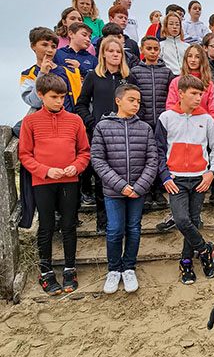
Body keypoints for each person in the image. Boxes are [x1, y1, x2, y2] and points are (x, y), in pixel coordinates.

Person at [18, 73, 90, 295]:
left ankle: (70, 269)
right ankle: (46, 272)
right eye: (54, 97)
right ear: (40, 95)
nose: (59, 101)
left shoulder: (75, 120)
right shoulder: (30, 122)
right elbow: (25, 154)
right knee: (46, 226)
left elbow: (84, 152)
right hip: (43, 182)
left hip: (70, 181)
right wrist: (46, 171)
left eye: (62, 96)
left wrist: (76, 167)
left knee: (69, 225)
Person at [91, 84, 158, 294]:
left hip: (138, 190)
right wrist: (121, 185)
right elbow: (98, 159)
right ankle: (114, 269)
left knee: (134, 228)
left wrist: (139, 186)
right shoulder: (103, 127)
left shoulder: (145, 128)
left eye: (138, 101)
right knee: (114, 230)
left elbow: (152, 159)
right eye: (131, 100)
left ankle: (129, 268)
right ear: (118, 101)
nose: (136, 104)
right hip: (113, 191)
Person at [155, 75, 214, 283]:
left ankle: (186, 262)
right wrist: (164, 176)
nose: (198, 98)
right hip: (176, 179)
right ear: (181, 93)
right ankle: (204, 250)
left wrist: (212, 172)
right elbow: (158, 150)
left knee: (193, 220)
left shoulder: (207, 119)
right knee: (181, 220)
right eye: (194, 93)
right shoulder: (166, 118)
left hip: (200, 179)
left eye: (200, 94)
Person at [75, 36, 130, 232]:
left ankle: (122, 221)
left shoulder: (128, 78)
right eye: (111, 51)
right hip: (101, 135)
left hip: (124, 135)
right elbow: (81, 104)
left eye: (118, 51)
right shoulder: (93, 76)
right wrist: (92, 123)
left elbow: (136, 103)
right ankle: (102, 221)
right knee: (101, 178)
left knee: (124, 176)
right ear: (103, 54)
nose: (115, 54)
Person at [130, 36, 174, 207]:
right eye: (149, 48)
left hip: (162, 121)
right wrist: (139, 115)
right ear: (142, 49)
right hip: (143, 120)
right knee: (144, 155)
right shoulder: (135, 71)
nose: (153, 52)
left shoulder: (167, 72)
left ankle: (158, 189)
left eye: (156, 49)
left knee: (159, 154)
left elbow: (171, 96)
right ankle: (146, 190)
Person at [20, 27, 81, 113]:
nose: (50, 50)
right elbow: (34, 102)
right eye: (44, 45)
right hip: (44, 120)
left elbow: (82, 101)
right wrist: (42, 73)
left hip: (69, 119)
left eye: (53, 47)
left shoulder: (70, 72)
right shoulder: (28, 75)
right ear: (33, 46)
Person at [166, 44, 214, 117]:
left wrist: (210, 122)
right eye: (190, 56)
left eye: (197, 57)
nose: (193, 60)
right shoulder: (176, 82)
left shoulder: (208, 84)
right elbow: (170, 106)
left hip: (202, 121)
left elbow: (212, 109)